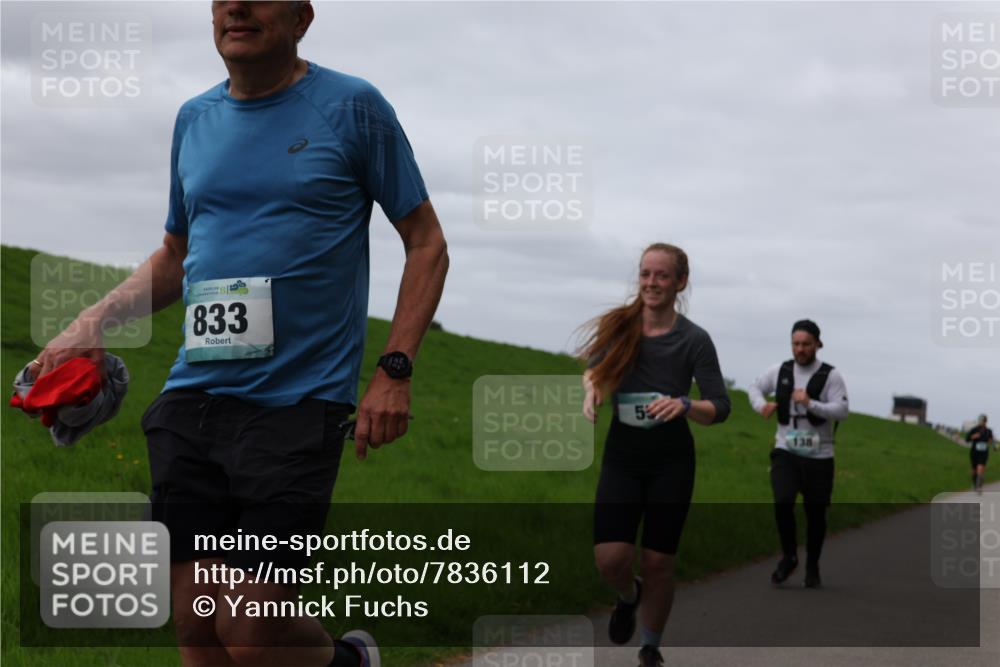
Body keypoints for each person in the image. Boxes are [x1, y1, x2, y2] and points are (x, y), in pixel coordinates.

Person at [33, 2, 449, 666]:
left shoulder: (352, 107)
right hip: (193, 401)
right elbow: (174, 254)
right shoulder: (194, 119)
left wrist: (393, 370)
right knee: (199, 626)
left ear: (301, 17)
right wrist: (88, 327)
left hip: (297, 406)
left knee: (252, 630)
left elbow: (426, 243)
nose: (237, 7)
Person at [579, 243, 731, 667]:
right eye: (645, 274)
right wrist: (591, 391)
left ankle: (650, 646)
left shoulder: (695, 340)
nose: (651, 283)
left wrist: (685, 405)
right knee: (611, 559)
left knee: (659, 559)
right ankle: (630, 595)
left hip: (671, 459)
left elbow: (720, 406)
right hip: (623, 455)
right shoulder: (621, 326)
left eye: (662, 275)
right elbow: (594, 368)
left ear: (680, 282)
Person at [748, 320, 848, 589]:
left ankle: (812, 564)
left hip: (820, 455)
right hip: (786, 449)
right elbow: (755, 388)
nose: (800, 349)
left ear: (818, 344)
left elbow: (841, 411)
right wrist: (761, 406)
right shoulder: (780, 370)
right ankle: (789, 556)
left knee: (815, 515)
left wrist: (810, 403)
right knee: (782, 501)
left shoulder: (831, 376)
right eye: (796, 344)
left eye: (806, 344)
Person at [966, 414, 995, 494]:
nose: (982, 422)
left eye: (983, 421)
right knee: (974, 470)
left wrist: (991, 441)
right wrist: (973, 436)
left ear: (986, 421)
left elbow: (991, 441)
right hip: (974, 452)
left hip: (984, 452)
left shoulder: (988, 431)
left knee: (980, 468)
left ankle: (979, 486)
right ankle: (974, 483)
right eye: (981, 420)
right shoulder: (974, 429)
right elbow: (967, 439)